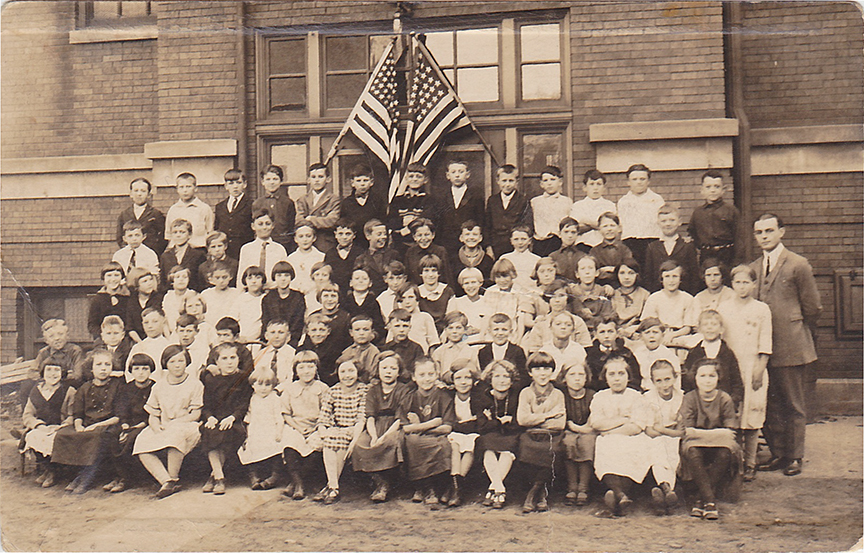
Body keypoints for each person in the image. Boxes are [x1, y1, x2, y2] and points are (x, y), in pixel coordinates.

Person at [750, 213, 821, 476]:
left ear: (782, 232)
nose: (764, 236)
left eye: (769, 230)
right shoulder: (754, 267)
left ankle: (795, 456)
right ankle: (778, 453)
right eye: (759, 232)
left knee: (793, 404)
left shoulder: (798, 264)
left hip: (791, 345)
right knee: (769, 403)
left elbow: (812, 307)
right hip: (762, 348)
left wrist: (798, 331)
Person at [718, 266, 773, 481]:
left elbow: (766, 340)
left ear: (754, 284)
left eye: (746, 282)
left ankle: (751, 463)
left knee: (752, 417)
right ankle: (734, 463)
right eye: (737, 282)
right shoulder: (724, 307)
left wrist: (760, 368)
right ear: (732, 284)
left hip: (753, 366)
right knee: (733, 415)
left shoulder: (761, 309)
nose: (741, 286)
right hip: (731, 367)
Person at [133, 345, 203, 499]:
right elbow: (153, 413)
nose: (177, 365)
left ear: (187, 362)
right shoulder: (158, 386)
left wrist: (176, 423)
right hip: (164, 425)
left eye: (180, 361)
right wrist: (156, 428)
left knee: (175, 436)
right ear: (165, 364)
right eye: (172, 361)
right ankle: (166, 481)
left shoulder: (195, 384)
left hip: (186, 424)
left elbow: (196, 413)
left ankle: (173, 477)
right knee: (141, 441)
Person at [588, 355, 652, 517]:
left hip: (630, 438)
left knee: (631, 450)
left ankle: (616, 495)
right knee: (607, 448)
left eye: (621, 374)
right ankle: (621, 496)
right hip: (608, 439)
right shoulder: (600, 396)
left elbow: (637, 426)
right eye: (612, 374)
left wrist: (610, 429)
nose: (617, 379)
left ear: (628, 376)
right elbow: (596, 423)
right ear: (605, 377)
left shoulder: (636, 396)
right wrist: (622, 420)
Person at [678, 359, 742, 520]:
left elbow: (731, 433)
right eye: (703, 376)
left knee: (725, 452)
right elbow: (687, 432)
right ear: (695, 378)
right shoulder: (690, 398)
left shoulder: (724, 399)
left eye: (712, 376)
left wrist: (700, 434)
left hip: (718, 445)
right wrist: (718, 434)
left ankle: (702, 499)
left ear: (718, 378)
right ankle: (710, 501)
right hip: (697, 444)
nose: (707, 380)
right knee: (692, 451)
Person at [51, 349, 120, 494]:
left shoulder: (118, 386)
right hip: (88, 424)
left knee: (97, 437)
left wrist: (96, 426)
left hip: (108, 425)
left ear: (112, 367)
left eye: (107, 364)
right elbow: (78, 414)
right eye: (99, 364)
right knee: (63, 434)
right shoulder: (84, 388)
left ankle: (86, 478)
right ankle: (70, 475)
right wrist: (79, 426)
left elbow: (118, 416)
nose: (103, 368)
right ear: (91, 368)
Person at [353, 352, 411, 503]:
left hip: (395, 426)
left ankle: (387, 484)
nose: (388, 371)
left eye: (393, 368)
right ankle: (380, 482)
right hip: (376, 425)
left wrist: (384, 436)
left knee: (391, 442)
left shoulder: (404, 390)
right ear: (378, 370)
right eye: (384, 368)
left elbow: (401, 417)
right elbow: (370, 415)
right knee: (361, 443)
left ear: (399, 371)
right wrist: (373, 436)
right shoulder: (373, 390)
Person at [399, 357, 455, 509]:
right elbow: (405, 427)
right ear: (414, 377)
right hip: (417, 437)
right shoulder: (409, 397)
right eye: (422, 375)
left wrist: (418, 426)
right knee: (412, 441)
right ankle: (424, 487)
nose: (426, 379)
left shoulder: (443, 396)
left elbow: (447, 427)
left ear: (436, 375)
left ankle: (434, 488)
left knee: (444, 445)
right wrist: (431, 423)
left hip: (438, 436)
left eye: (430, 374)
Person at [200, 342, 253, 495]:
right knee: (209, 430)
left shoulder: (243, 378)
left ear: (238, 359)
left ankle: (214, 476)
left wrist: (232, 417)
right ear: (216, 362)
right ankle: (219, 476)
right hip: (216, 419)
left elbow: (243, 404)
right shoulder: (211, 380)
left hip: (235, 420)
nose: (229, 362)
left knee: (226, 433)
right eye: (224, 358)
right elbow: (207, 405)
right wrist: (209, 417)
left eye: (232, 357)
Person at [517, 352, 566, 513]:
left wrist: (535, 419)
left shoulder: (558, 394)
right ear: (530, 372)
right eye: (537, 369)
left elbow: (560, 423)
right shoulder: (525, 393)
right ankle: (540, 493)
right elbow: (522, 419)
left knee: (552, 450)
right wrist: (548, 415)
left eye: (546, 368)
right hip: (530, 434)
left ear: (552, 372)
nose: (542, 373)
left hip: (552, 435)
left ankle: (535, 493)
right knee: (526, 448)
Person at [314, 360, 368, 505]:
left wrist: (355, 437)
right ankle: (333, 486)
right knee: (330, 439)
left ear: (358, 373)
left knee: (339, 440)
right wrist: (323, 432)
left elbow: (361, 417)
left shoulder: (363, 390)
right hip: (336, 428)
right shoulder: (333, 390)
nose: (347, 375)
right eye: (343, 371)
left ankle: (330, 486)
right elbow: (324, 416)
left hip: (354, 428)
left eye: (351, 371)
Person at [278, 352, 328, 499]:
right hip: (295, 426)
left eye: (310, 367)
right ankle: (298, 484)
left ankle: (296, 483)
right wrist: (299, 428)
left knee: (316, 446)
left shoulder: (323, 388)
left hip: (316, 426)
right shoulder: (290, 389)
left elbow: (326, 412)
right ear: (296, 370)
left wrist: (316, 428)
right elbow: (286, 413)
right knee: (290, 445)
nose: (306, 371)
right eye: (302, 367)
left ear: (316, 368)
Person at [19, 360, 75, 489]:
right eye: (49, 370)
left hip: (60, 427)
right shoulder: (35, 390)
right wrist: (39, 425)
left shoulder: (69, 391)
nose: (52, 374)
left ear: (63, 373)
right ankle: (49, 469)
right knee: (32, 436)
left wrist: (61, 426)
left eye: (57, 370)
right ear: (43, 372)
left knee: (55, 439)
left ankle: (53, 472)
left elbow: (73, 415)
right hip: (42, 427)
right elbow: (27, 415)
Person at [105, 353, 155, 493]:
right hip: (128, 423)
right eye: (137, 369)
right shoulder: (126, 388)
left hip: (146, 424)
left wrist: (135, 427)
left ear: (151, 370)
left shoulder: (155, 387)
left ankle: (127, 479)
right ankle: (117, 475)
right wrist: (125, 425)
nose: (140, 372)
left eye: (145, 369)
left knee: (131, 439)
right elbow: (121, 409)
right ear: (131, 370)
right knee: (111, 435)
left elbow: (155, 411)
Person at [476, 359, 521, 509]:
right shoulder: (483, 397)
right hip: (491, 435)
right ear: (490, 378)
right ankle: (500, 489)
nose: (502, 380)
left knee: (507, 451)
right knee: (488, 449)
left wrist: (495, 420)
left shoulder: (517, 396)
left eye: (506, 376)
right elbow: (482, 426)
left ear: (512, 379)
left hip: (511, 435)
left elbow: (518, 423)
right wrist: (501, 422)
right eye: (497, 376)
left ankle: (493, 488)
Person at [643, 359, 684, 515]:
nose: (664, 385)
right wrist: (667, 431)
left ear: (675, 378)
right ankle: (668, 489)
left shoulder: (681, 397)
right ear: (653, 382)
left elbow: (682, 431)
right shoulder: (648, 398)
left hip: (673, 437)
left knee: (671, 445)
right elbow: (649, 430)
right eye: (658, 381)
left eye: (667, 379)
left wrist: (662, 429)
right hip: (655, 438)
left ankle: (662, 487)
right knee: (659, 444)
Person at [237, 366, 289, 491]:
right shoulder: (253, 399)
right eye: (259, 384)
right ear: (253, 385)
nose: (263, 388)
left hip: (271, 429)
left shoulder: (274, 399)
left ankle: (275, 476)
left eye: (267, 385)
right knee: (249, 448)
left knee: (276, 447)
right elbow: (248, 418)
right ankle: (253, 476)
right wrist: (248, 434)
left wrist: (279, 432)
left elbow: (279, 417)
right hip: (256, 429)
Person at [682, 310, 744, 409]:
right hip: (699, 405)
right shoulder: (694, 353)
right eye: (705, 324)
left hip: (722, 406)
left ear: (721, 329)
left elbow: (736, 382)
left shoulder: (727, 353)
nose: (709, 327)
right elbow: (687, 381)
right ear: (699, 329)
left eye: (714, 324)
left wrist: (731, 402)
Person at [445, 361, 482, 507]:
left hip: (473, 433)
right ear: (452, 381)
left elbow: (479, 422)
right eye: (459, 378)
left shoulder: (478, 397)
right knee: (454, 446)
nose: (463, 382)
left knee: (469, 448)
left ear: (473, 381)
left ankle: (455, 489)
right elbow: (448, 420)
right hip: (455, 433)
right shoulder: (449, 396)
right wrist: (465, 422)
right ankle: (456, 488)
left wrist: (466, 423)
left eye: (467, 378)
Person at [559, 361, 596, 507]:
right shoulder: (561, 395)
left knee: (587, 442)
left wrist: (583, 429)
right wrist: (572, 427)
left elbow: (593, 419)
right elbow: (563, 419)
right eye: (572, 375)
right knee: (569, 442)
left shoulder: (592, 395)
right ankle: (572, 485)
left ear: (586, 378)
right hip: (567, 430)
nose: (577, 378)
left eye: (581, 374)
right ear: (564, 378)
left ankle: (583, 487)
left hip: (588, 430)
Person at [431, 159, 485, 257]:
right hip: (446, 243)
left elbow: (481, 220)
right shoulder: (441, 196)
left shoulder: (476, 195)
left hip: (468, 243)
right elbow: (438, 221)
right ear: (448, 175)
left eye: (461, 172)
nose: (457, 175)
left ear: (467, 174)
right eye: (453, 172)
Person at [25, 319, 84, 408]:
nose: (57, 338)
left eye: (60, 334)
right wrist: (47, 381)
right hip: (47, 385)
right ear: (46, 340)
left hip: (67, 385)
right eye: (51, 336)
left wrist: (59, 379)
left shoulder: (75, 351)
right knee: (27, 385)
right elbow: (32, 372)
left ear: (67, 336)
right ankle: (32, 413)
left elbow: (78, 375)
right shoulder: (44, 352)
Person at [523, 279, 592, 354]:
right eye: (552, 296)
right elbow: (534, 350)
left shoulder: (577, 321)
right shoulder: (541, 323)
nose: (557, 300)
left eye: (561, 296)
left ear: (567, 297)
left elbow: (585, 348)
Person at [643, 204, 700, 294]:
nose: (668, 224)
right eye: (664, 221)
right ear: (658, 223)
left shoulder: (687, 246)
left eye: (672, 220)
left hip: (683, 295)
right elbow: (648, 276)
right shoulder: (652, 247)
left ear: (679, 222)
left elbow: (694, 276)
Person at [616, 164, 664, 268]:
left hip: (652, 241)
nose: (639, 182)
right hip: (630, 243)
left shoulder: (657, 200)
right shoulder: (623, 202)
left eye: (642, 179)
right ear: (628, 182)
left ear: (648, 181)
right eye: (634, 179)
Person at [641, 260, 697, 349]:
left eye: (675, 276)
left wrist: (672, 335)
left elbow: (687, 328)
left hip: (680, 335)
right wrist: (663, 335)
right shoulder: (654, 298)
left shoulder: (687, 298)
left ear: (680, 279)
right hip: (658, 335)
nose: (671, 281)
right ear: (661, 279)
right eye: (667, 276)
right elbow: (648, 323)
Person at [689, 170, 739, 268]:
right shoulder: (698, 213)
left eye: (717, 186)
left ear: (723, 190)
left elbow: (740, 238)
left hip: (727, 256)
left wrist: (736, 263)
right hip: (706, 257)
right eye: (708, 187)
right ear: (702, 190)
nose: (713, 190)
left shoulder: (731, 210)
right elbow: (692, 234)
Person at [389, 162, 438, 255]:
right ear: (406, 179)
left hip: (422, 244)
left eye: (418, 177)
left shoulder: (430, 200)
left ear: (425, 180)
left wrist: (405, 227)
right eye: (411, 176)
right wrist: (406, 222)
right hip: (400, 245)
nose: (414, 179)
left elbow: (427, 220)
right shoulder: (397, 200)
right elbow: (391, 222)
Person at [484, 164, 531, 258]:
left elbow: (527, 224)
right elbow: (487, 225)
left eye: (511, 181)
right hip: (496, 246)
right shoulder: (492, 200)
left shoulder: (523, 200)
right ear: (498, 181)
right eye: (504, 181)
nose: (507, 184)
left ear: (517, 181)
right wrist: (488, 247)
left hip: (515, 246)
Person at [238, 208, 290, 291]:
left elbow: (285, 274)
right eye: (260, 224)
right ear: (253, 226)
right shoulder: (246, 249)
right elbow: (241, 277)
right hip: (252, 292)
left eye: (268, 224)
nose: (264, 227)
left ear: (273, 225)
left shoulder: (279, 249)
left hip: (273, 291)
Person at [584, 317, 640, 391]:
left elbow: (635, 378)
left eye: (610, 331)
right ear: (595, 334)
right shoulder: (590, 354)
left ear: (617, 333)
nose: (606, 336)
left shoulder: (626, 353)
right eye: (602, 332)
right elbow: (589, 380)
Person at [340, 164, 387, 250]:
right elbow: (344, 223)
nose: (362, 184)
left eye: (365, 180)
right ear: (352, 183)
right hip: (354, 242)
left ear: (371, 182)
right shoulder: (347, 202)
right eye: (358, 181)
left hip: (373, 242)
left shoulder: (377, 200)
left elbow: (382, 221)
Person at [528, 165, 572, 257]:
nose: (549, 183)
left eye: (552, 179)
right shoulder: (535, 202)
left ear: (560, 182)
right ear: (541, 184)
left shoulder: (567, 201)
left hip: (560, 241)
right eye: (545, 180)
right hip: (540, 242)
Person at [295, 162, 340, 253]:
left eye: (320, 177)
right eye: (313, 177)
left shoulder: (333, 199)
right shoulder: (303, 199)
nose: (317, 180)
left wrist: (310, 219)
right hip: (306, 242)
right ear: (308, 180)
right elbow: (299, 220)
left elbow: (332, 221)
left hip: (325, 243)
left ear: (328, 179)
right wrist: (320, 220)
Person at [252, 165, 297, 253]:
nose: (271, 182)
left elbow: (291, 227)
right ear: (262, 182)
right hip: (263, 244)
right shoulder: (257, 203)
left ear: (281, 181)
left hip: (284, 244)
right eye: (268, 179)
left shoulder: (288, 203)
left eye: (275, 179)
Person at [116, 177, 166, 255]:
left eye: (143, 191)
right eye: (136, 191)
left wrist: (154, 252)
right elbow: (119, 237)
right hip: (130, 254)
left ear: (149, 194)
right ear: (131, 194)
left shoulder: (156, 214)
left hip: (150, 255)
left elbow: (163, 237)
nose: (139, 194)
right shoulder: (124, 214)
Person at [569, 170, 616, 252]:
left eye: (599, 184)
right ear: (584, 188)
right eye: (591, 184)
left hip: (604, 245)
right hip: (582, 245)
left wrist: (586, 222)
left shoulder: (610, 205)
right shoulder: (577, 206)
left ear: (604, 187)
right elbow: (576, 228)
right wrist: (599, 225)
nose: (595, 188)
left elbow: (611, 228)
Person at [260, 261, 305, 347]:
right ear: (274, 278)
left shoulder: (298, 297)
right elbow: (266, 321)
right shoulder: (268, 298)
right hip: (272, 340)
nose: (283, 279)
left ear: (291, 277)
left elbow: (298, 323)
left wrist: (289, 340)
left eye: (286, 275)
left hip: (291, 340)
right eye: (279, 276)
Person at [165, 172, 214, 250]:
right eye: (181, 187)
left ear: (195, 188)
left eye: (188, 187)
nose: (185, 190)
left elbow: (210, 232)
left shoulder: (204, 208)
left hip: (199, 249)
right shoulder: (173, 210)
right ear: (177, 189)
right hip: (178, 249)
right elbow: (169, 235)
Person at [630, 318, 681, 392]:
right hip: (641, 391)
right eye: (647, 333)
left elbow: (676, 383)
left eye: (655, 332)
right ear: (641, 336)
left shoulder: (669, 356)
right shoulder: (637, 353)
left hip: (663, 391)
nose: (651, 336)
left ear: (662, 335)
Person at [477, 314, 528, 388]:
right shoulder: (483, 352)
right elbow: (484, 376)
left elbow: (524, 377)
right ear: (489, 331)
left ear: (510, 331)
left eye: (504, 329)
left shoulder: (517, 351)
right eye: (496, 329)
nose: (500, 333)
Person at [214, 168, 253, 260]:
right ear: (226, 186)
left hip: (243, 251)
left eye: (238, 183)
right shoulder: (220, 207)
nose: (235, 186)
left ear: (245, 184)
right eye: (231, 183)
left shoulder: (251, 204)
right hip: (225, 253)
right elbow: (217, 229)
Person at [431, 311, 480, 385]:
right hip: (444, 389)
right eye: (450, 328)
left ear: (465, 330)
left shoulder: (471, 351)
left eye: (458, 328)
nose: (454, 331)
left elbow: (476, 374)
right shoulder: (439, 352)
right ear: (445, 330)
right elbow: (435, 376)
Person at [392, 283, 441, 356]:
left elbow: (433, 343)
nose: (407, 302)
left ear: (417, 300)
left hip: (421, 357)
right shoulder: (396, 318)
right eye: (403, 298)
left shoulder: (424, 317)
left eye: (411, 297)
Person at [590, 212, 636, 288]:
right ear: (599, 229)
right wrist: (615, 270)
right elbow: (594, 273)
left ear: (619, 228)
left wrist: (607, 270)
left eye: (612, 225)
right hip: (601, 288)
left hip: (622, 287)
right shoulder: (594, 251)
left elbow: (628, 270)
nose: (609, 229)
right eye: (605, 226)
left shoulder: (625, 250)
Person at [160, 218, 207, 292]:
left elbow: (201, 280)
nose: (178, 235)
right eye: (175, 232)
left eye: (182, 232)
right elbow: (163, 281)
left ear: (189, 235)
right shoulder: (166, 256)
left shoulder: (198, 254)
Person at [538, 311, 588, 379]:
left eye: (568, 325)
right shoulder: (544, 351)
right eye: (558, 324)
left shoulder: (579, 350)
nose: (563, 327)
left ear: (573, 329)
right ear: (550, 328)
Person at [124, 308, 171, 379]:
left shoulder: (168, 346)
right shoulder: (138, 347)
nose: (150, 326)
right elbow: (129, 372)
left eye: (155, 321)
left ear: (164, 322)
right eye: (146, 322)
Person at [405, 218, 454, 286]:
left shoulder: (440, 251)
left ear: (433, 235)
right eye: (419, 235)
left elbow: (447, 277)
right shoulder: (411, 252)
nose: (423, 238)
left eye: (427, 234)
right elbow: (409, 277)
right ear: (414, 237)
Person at [88, 262, 130, 340]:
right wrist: (105, 336)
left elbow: (131, 322)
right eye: (109, 276)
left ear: (121, 277)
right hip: (103, 339)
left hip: (125, 339)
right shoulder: (98, 299)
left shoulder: (128, 298)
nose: (113, 279)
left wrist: (121, 335)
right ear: (103, 278)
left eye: (116, 275)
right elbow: (92, 325)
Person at [343, 267, 386, 343]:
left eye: (364, 279)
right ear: (351, 283)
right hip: (348, 342)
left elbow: (379, 326)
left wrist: (373, 336)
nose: (360, 281)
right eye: (357, 278)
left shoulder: (373, 302)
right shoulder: (345, 302)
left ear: (370, 283)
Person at [445, 268, 489, 342]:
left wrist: (479, 330)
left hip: (483, 340)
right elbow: (450, 326)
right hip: (462, 341)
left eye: (473, 282)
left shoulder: (488, 301)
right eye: (466, 283)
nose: (470, 286)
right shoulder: (455, 302)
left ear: (480, 283)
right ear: (462, 286)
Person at [334, 314, 381, 384]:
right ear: (351, 332)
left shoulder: (374, 352)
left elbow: (374, 377)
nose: (361, 333)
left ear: (371, 332)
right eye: (357, 330)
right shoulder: (346, 351)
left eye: (365, 329)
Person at [417, 254, 457, 333]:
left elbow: (451, 318)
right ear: (421, 273)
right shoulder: (417, 292)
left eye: (434, 270)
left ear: (439, 273)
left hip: (444, 332)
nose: (430, 275)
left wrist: (446, 333)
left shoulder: (447, 291)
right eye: (426, 270)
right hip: (424, 331)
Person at [611, 259, 649, 339]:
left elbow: (646, 320)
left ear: (637, 275)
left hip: (636, 333)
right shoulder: (612, 294)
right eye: (622, 273)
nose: (626, 277)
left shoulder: (645, 294)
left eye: (631, 273)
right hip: (616, 333)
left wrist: (633, 330)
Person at [452, 220, 494, 293]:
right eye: (467, 234)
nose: (471, 237)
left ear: (480, 238)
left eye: (475, 234)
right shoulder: (454, 259)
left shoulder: (487, 260)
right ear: (461, 238)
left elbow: (490, 284)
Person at [250, 320, 296, 386]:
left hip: (285, 390)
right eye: (272, 332)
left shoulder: (292, 354)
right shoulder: (261, 353)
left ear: (288, 336)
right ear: (266, 335)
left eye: (281, 332)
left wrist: (278, 390)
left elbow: (290, 379)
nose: (276, 336)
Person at [382, 309, 424, 381]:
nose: (401, 330)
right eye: (397, 326)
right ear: (390, 327)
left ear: (410, 327)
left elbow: (418, 371)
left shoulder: (416, 348)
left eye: (405, 326)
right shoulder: (385, 348)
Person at [324, 218, 364, 294]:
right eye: (340, 233)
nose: (344, 237)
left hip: (354, 291)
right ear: (335, 234)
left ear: (354, 235)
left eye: (348, 234)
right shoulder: (330, 254)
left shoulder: (360, 252)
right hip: (335, 292)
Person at [125, 268, 164, 343]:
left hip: (156, 339)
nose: (149, 283)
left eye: (150, 279)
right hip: (137, 340)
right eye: (145, 281)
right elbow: (130, 327)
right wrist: (141, 343)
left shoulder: (159, 298)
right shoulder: (131, 301)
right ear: (136, 285)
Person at [287, 221, 325, 295]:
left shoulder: (321, 257)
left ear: (314, 238)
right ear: (295, 239)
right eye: (301, 236)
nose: (305, 239)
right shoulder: (290, 259)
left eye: (308, 236)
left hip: (315, 295)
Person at [199, 262, 241, 330]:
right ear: (211, 279)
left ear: (230, 276)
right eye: (217, 278)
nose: (221, 281)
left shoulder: (237, 293)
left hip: (230, 329)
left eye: (224, 277)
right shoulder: (206, 294)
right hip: (210, 328)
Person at [501, 225, 541, 291]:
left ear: (529, 241)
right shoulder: (505, 258)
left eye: (523, 239)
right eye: (516, 239)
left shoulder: (536, 259)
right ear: (511, 241)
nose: (520, 242)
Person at [550, 217, 586, 283]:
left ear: (577, 234)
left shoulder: (583, 256)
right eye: (566, 232)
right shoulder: (553, 257)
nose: (569, 235)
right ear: (559, 234)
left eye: (573, 232)